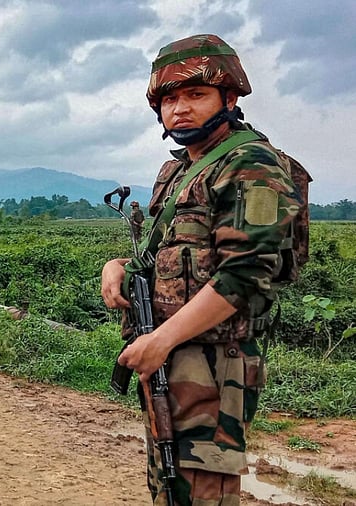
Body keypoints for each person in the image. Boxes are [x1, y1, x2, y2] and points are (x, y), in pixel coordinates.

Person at [100, 34, 302, 505]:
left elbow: (244, 276)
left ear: (228, 98)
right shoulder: (175, 173)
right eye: (170, 99)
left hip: (214, 363)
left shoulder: (251, 164)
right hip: (165, 354)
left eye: (196, 95)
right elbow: (172, 255)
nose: (180, 109)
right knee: (170, 487)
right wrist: (120, 266)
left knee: (203, 489)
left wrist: (163, 339)